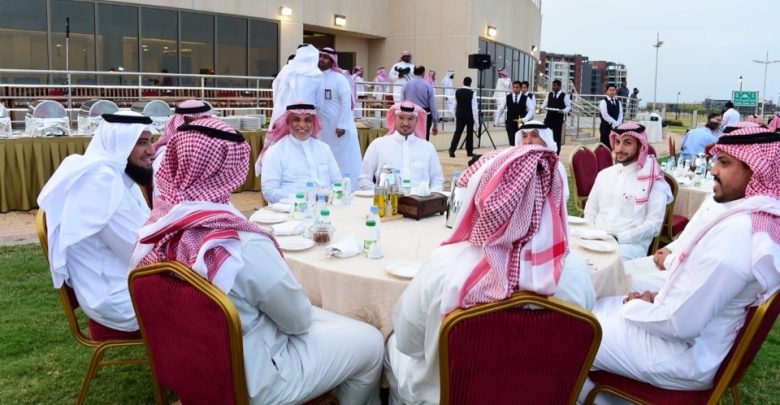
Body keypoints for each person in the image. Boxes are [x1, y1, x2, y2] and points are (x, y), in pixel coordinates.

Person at [132, 117, 384, 405]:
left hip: (187, 367)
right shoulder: (241, 243)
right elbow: (297, 322)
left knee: (328, 321)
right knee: (371, 341)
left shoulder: (153, 232)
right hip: (255, 380)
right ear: (232, 170)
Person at [581, 123, 780, 401]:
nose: (713, 170)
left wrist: (634, 305)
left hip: (686, 355)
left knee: (573, 328)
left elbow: (679, 324)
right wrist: (654, 298)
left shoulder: (739, 233)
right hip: (691, 337)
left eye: (724, 163)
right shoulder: (751, 219)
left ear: (757, 171)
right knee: (590, 308)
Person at [385, 146, 596, 405]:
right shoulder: (574, 270)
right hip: (541, 395)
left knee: (391, 344)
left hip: (448, 396)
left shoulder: (443, 265)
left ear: (485, 195)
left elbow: (409, 343)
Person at [37, 112, 154, 332]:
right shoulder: (100, 183)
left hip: (127, 276)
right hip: (115, 295)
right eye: (141, 143)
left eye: (150, 141)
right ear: (119, 144)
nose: (151, 151)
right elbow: (137, 252)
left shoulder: (118, 176)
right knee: (206, 296)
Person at [584, 123, 672, 260]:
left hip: (629, 246)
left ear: (640, 145)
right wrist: (591, 234)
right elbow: (590, 211)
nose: (619, 149)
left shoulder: (653, 181)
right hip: (595, 239)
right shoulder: (604, 175)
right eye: (617, 142)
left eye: (627, 143)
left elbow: (653, 225)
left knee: (604, 262)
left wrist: (618, 238)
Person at [624, 196, 727, 292]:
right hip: (672, 257)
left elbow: (708, 265)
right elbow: (688, 236)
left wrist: (668, 260)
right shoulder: (712, 197)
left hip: (686, 275)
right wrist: (668, 248)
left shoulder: (733, 217)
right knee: (619, 270)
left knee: (624, 284)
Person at [259, 103, 342, 204]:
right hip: (292, 209)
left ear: (313, 123)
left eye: (307, 120)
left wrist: (330, 196)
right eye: (296, 120)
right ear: (288, 123)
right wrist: (304, 198)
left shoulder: (324, 148)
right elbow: (269, 191)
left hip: (327, 207)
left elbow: (337, 182)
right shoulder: (275, 152)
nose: (302, 125)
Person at [358, 101, 444, 192]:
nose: (405, 123)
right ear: (394, 118)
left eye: (410, 118)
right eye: (401, 117)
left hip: (420, 200)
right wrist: (380, 196)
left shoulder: (428, 148)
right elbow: (364, 179)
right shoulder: (378, 145)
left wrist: (430, 198)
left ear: (417, 121)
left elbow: (437, 181)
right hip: (387, 199)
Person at [317, 47, 362, 187]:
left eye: (325, 57)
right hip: (322, 128)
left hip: (339, 129)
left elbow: (346, 102)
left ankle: (348, 187)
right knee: (325, 157)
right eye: (320, 56)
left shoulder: (339, 78)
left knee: (343, 159)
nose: (321, 59)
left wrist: (342, 124)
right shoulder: (315, 77)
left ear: (332, 61)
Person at [153, 100, 213, 196]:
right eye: (191, 123)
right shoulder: (165, 156)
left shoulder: (208, 151)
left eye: (204, 123)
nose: (199, 130)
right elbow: (164, 196)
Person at [269, 44, 323, 128]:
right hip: (306, 116)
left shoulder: (286, 70)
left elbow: (276, 91)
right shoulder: (317, 75)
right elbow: (320, 102)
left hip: (284, 113)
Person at [516, 121, 570, 202]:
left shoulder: (556, 166)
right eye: (524, 136)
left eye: (534, 136)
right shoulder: (516, 164)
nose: (528, 141)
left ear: (545, 140)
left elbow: (563, 196)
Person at [402, 65, 440, 140]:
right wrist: (435, 124)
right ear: (423, 73)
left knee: (409, 138)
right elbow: (433, 107)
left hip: (409, 114)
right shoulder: (428, 86)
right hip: (424, 115)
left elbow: (401, 102)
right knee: (424, 139)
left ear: (413, 72)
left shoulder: (406, 85)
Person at [495, 80, 534, 146]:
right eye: (514, 87)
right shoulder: (507, 97)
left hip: (521, 124)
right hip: (510, 123)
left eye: (517, 87)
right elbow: (501, 109)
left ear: (520, 88)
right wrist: (497, 120)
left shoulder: (526, 98)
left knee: (521, 143)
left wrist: (525, 119)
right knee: (512, 142)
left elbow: (531, 110)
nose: (515, 89)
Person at [449, 76, 479, 158]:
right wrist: (477, 121)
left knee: (457, 133)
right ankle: (469, 151)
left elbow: (453, 105)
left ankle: (452, 150)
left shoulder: (457, 92)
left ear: (463, 82)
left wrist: (455, 116)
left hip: (460, 115)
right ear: (470, 83)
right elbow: (474, 108)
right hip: (469, 116)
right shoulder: (472, 93)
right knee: (469, 134)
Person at [541, 79, 572, 154]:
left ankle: (557, 153)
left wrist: (564, 111)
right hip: (549, 117)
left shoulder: (564, 96)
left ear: (559, 86)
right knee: (544, 132)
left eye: (555, 86)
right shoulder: (549, 94)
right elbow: (544, 104)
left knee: (557, 137)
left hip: (558, 119)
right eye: (553, 85)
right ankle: (546, 150)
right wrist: (540, 108)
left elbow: (569, 106)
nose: (553, 87)